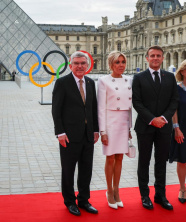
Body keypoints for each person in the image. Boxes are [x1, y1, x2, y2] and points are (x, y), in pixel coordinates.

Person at [52, 51, 99, 216]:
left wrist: (95, 130)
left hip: (88, 135)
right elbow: (56, 110)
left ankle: (84, 200)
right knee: (68, 170)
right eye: (76, 63)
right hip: (69, 136)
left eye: (82, 63)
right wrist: (60, 132)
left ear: (87, 65)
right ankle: (70, 201)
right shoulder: (62, 83)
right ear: (70, 65)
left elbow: (93, 108)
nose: (80, 66)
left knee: (86, 170)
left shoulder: (91, 83)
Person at [132, 45, 178, 210]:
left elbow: (174, 101)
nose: (155, 58)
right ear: (147, 58)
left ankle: (160, 195)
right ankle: (145, 195)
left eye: (158, 55)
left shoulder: (170, 77)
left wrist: (164, 118)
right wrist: (152, 119)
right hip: (145, 126)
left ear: (163, 58)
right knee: (143, 162)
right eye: (152, 56)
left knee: (161, 162)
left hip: (164, 127)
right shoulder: (138, 78)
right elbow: (136, 102)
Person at [97, 51, 132, 209]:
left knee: (120, 158)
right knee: (110, 158)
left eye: (123, 62)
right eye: (117, 62)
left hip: (123, 123)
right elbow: (100, 108)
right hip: (110, 122)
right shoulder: (103, 81)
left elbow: (129, 107)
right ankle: (109, 191)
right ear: (111, 64)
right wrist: (103, 131)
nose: (121, 65)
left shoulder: (129, 80)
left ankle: (117, 190)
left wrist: (130, 127)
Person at [169, 59, 186, 203]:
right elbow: (173, 110)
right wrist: (176, 128)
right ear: (182, 71)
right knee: (182, 160)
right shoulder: (176, 89)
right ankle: (182, 188)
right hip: (182, 128)